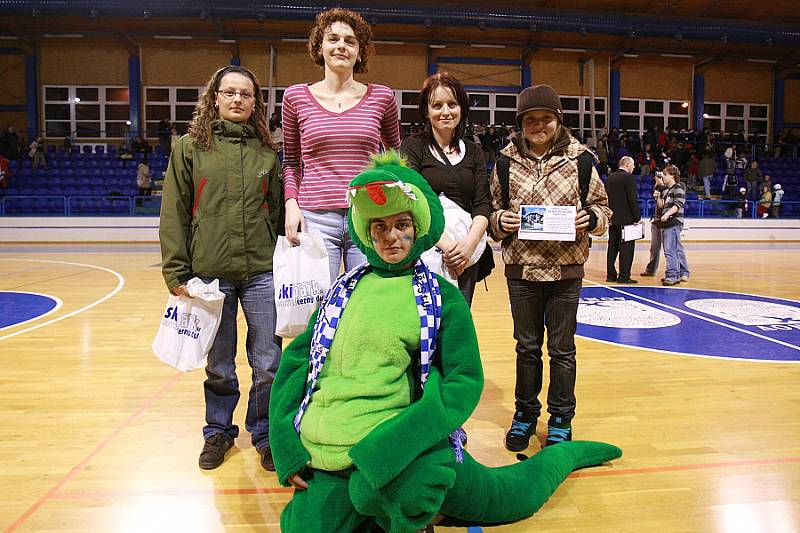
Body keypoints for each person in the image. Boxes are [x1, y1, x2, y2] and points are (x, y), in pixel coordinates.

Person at [269, 152, 621, 533]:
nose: (390, 236)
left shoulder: (440, 297)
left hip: (401, 449)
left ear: (419, 226)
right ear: (366, 231)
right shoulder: (341, 291)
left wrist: (392, 448)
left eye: (402, 224)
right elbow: (295, 367)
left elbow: (463, 381)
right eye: (380, 226)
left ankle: (417, 513)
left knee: (407, 494)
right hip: (326, 450)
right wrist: (286, 447)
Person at [159, 65, 283, 472]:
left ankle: (264, 434)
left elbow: (279, 213)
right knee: (219, 362)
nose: (236, 100)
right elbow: (174, 211)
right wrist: (177, 271)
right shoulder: (189, 148)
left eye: (245, 95)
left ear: (255, 103)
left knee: (268, 362)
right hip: (209, 273)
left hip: (262, 271)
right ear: (214, 98)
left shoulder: (268, 153)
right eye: (228, 93)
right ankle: (218, 432)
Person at [486, 85, 611, 451]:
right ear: (521, 124)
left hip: (566, 273)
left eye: (545, 118)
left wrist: (592, 217)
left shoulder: (582, 160)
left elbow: (603, 208)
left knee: (562, 350)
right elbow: (492, 208)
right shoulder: (505, 163)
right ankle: (525, 413)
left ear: (558, 120)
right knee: (526, 348)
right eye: (530, 120)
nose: (538, 125)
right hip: (522, 272)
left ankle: (560, 419)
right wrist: (499, 220)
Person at [281, 7, 401, 284]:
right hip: (315, 218)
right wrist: (291, 204)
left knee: (367, 303)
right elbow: (290, 162)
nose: (341, 46)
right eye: (332, 39)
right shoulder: (295, 97)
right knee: (318, 306)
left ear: (360, 52)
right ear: (319, 47)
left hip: (369, 215)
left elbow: (395, 161)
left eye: (350, 41)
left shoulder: (382, 97)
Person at [400, 72, 491, 306]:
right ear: (426, 111)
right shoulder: (413, 147)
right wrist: (448, 246)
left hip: (466, 257)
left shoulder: (474, 152)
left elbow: (483, 204)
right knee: (423, 326)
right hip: (427, 250)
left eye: (452, 104)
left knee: (456, 327)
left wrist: (467, 246)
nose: (445, 112)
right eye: (437, 105)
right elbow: (412, 202)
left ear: (462, 108)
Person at [605, 156, 641, 284]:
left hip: (612, 219)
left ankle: (610, 275)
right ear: (627, 165)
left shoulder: (610, 177)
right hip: (626, 220)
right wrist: (637, 217)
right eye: (632, 165)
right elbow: (632, 199)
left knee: (612, 247)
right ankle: (624, 276)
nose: (634, 167)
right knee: (627, 249)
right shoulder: (628, 178)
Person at [659, 165, 690, 286]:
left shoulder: (678, 187)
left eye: (665, 174)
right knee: (675, 248)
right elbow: (662, 205)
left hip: (674, 221)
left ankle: (672, 275)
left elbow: (679, 203)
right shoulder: (667, 190)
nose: (663, 177)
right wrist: (658, 195)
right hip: (668, 223)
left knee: (669, 249)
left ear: (672, 176)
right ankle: (680, 272)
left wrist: (667, 214)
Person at [640, 172, 666, 277]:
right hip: (656, 220)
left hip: (664, 221)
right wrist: (658, 185)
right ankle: (651, 270)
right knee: (654, 248)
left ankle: (679, 271)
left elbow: (662, 204)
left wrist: (660, 184)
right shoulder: (659, 188)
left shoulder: (667, 189)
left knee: (671, 249)